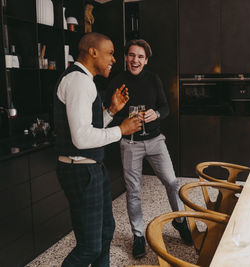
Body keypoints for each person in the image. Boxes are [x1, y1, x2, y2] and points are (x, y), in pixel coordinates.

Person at [53, 32, 141, 266]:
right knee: (89, 247)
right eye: (110, 53)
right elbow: (81, 138)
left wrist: (111, 110)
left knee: (105, 231)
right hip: (80, 171)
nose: (114, 59)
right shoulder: (79, 82)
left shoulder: (84, 81)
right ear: (93, 52)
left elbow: (87, 128)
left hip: (92, 168)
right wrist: (121, 130)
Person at [106, 39, 192, 259]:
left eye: (140, 57)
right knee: (133, 191)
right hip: (130, 143)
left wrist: (157, 114)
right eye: (132, 55)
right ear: (126, 57)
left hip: (155, 140)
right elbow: (109, 113)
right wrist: (119, 116)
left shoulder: (153, 79)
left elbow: (166, 107)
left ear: (146, 60)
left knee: (172, 181)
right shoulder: (116, 81)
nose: (136, 60)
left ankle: (180, 221)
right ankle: (138, 235)